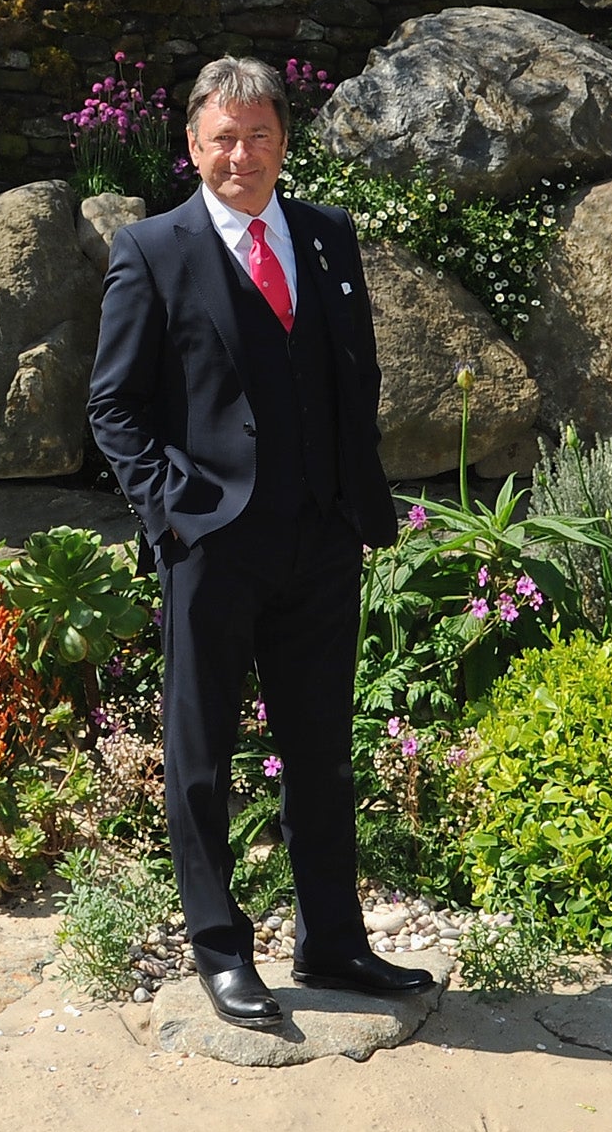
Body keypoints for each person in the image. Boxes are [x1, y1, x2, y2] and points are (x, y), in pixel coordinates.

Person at [85, 57, 435, 1028]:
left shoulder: (325, 236)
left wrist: (351, 496)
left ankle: (332, 941)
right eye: (222, 138)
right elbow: (112, 406)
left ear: (284, 139)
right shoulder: (154, 249)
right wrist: (174, 510)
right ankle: (221, 949)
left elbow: (349, 375)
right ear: (193, 146)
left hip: (321, 537)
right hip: (215, 544)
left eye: (259, 134)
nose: (242, 154)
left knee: (320, 749)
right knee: (200, 755)